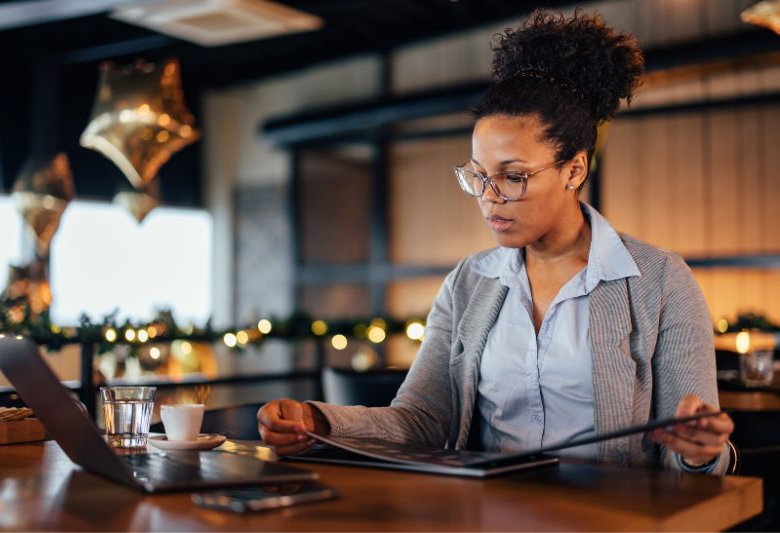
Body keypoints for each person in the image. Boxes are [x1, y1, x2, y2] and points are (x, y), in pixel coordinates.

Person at [258, 10, 735, 474]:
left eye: (513, 177)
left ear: (575, 169)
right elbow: (422, 420)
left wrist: (697, 452)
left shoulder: (660, 281)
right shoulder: (468, 283)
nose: (490, 199)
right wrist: (318, 421)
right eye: (479, 176)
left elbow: (691, 446)